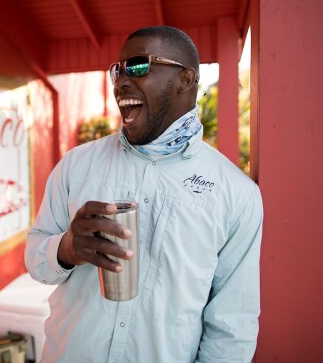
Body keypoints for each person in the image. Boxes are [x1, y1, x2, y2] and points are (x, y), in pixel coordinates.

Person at [25, 26, 263, 362]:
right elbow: (36, 258)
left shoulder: (236, 194)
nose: (120, 81)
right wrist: (66, 248)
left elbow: (232, 325)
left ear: (185, 79)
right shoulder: (77, 165)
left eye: (137, 66)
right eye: (117, 70)